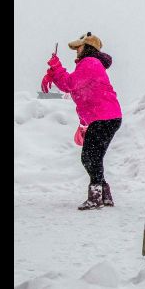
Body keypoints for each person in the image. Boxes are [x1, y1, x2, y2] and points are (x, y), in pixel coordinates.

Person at [41, 32, 122, 210]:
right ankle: (104, 195)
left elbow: (70, 84)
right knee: (93, 158)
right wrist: (53, 74)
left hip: (104, 117)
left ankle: (96, 198)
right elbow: (75, 89)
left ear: (88, 48)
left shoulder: (90, 63)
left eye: (79, 46)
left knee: (89, 157)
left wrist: (56, 66)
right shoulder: (90, 64)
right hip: (107, 117)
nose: (77, 50)